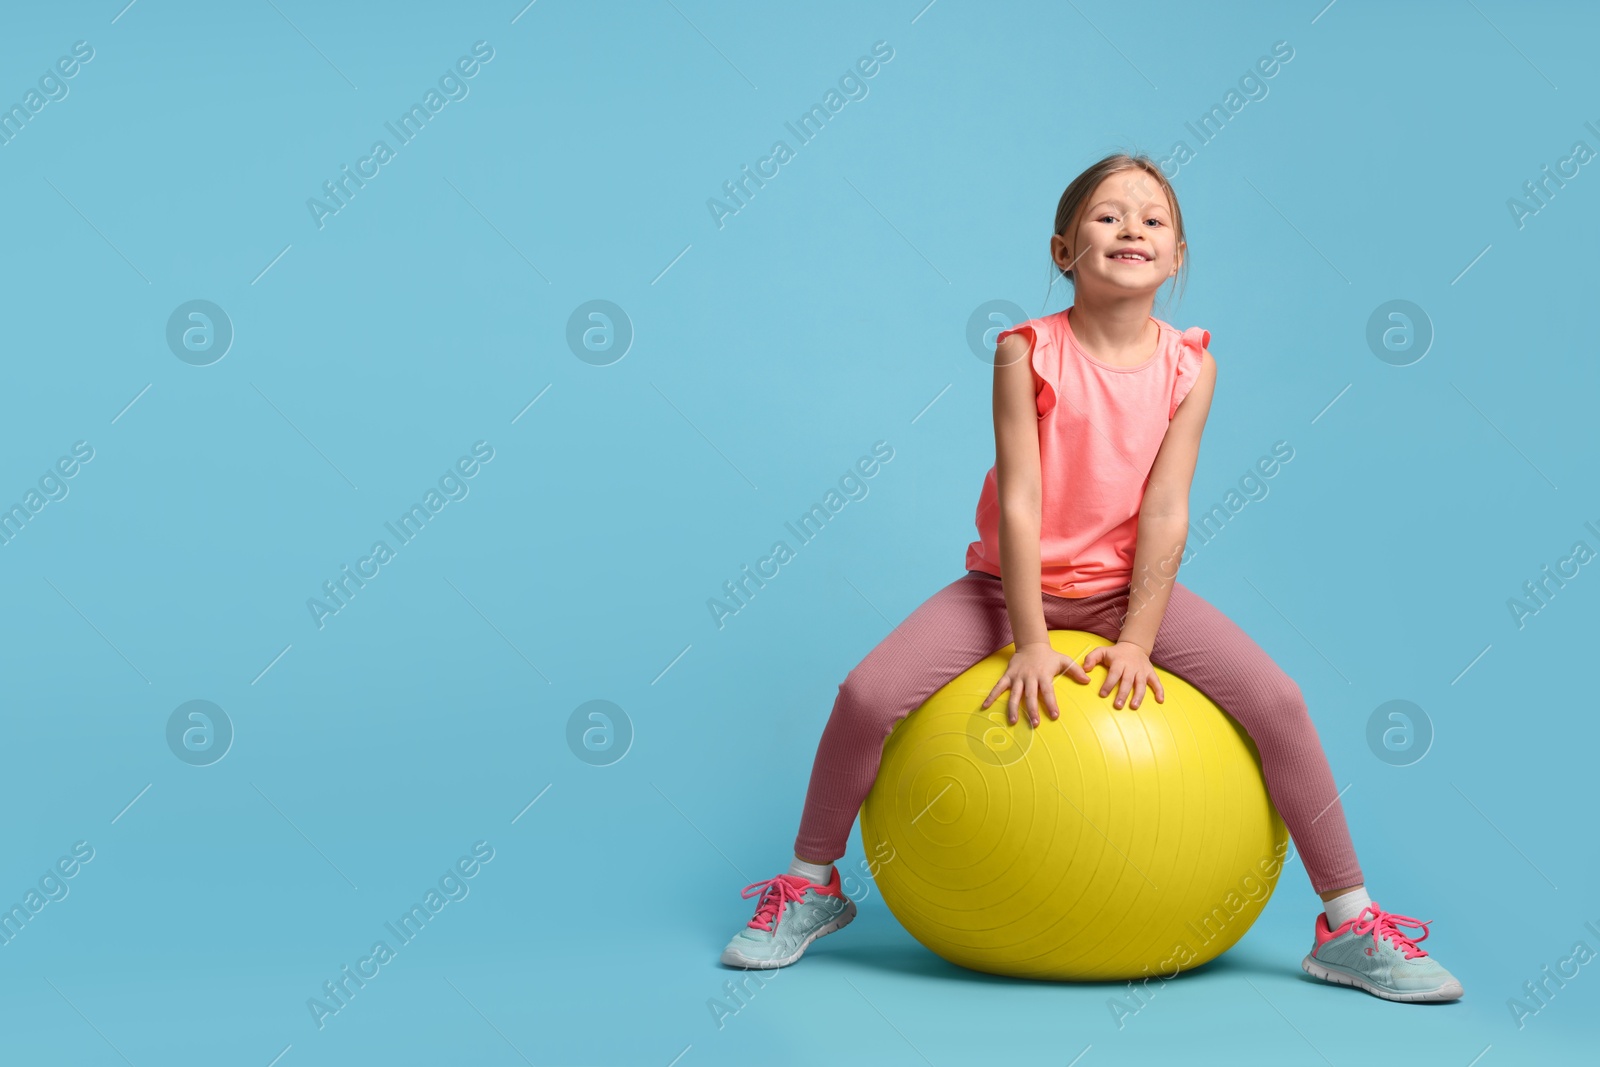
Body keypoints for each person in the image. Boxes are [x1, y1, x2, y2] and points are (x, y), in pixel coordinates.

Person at [719, 152, 1463, 1004]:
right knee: (863, 692)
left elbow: (1165, 511)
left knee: (1281, 701)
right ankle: (811, 885)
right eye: (1108, 216)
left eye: (1153, 219)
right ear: (1064, 248)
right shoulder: (1024, 352)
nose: (1132, 229)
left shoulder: (1191, 366)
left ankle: (1348, 922)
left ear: (1177, 255)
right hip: (1006, 592)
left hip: (1127, 593)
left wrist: (1139, 639)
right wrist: (1030, 641)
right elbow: (1022, 506)